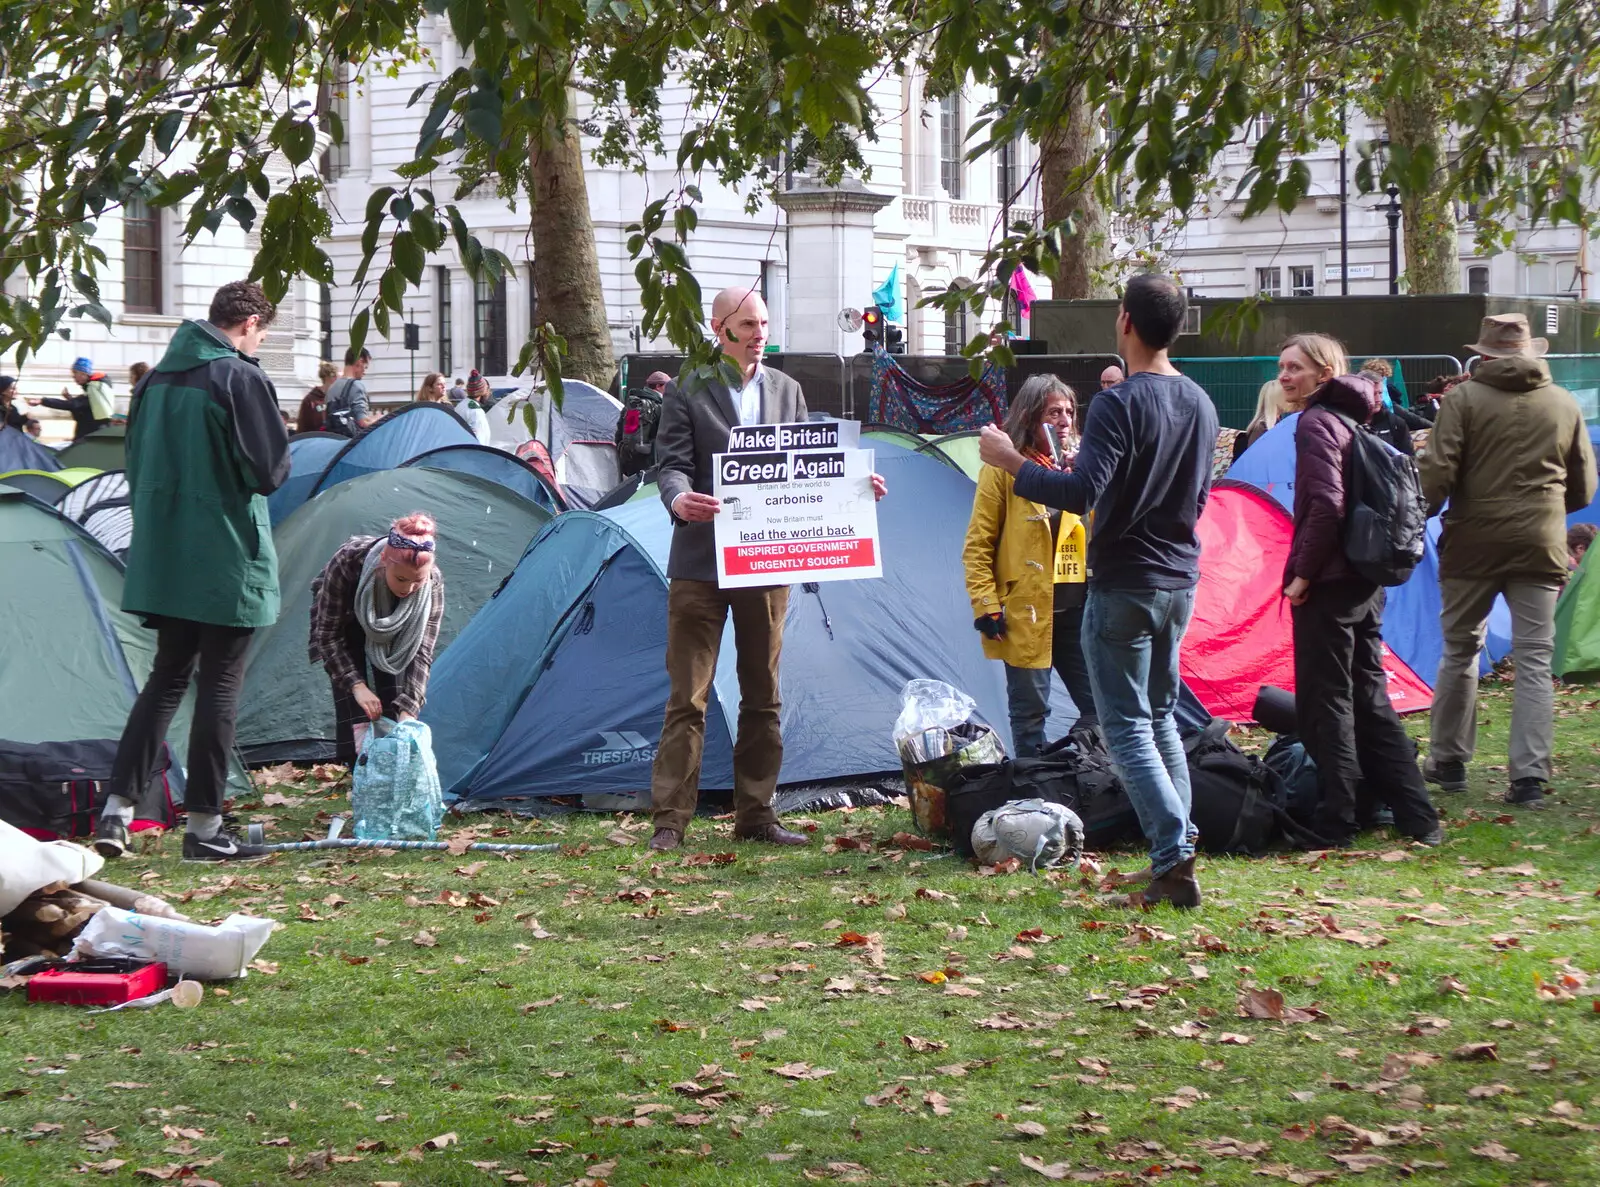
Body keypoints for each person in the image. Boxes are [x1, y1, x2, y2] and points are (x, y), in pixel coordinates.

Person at [978, 273, 1217, 908]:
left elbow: (1081, 493)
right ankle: (1178, 852)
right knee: (1160, 716)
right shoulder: (1200, 400)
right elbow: (1199, 497)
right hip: (1179, 580)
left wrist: (1010, 461)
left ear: (1125, 322)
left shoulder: (1118, 403)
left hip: (1125, 583)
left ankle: (1171, 854)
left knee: (1127, 726)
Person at [647, 285, 887, 852]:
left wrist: (855, 490)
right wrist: (678, 500)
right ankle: (669, 823)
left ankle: (756, 814)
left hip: (766, 562)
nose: (759, 335)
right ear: (719, 330)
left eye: (763, 325)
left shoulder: (789, 390)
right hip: (700, 565)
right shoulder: (689, 387)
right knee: (689, 697)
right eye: (747, 326)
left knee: (763, 694)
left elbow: (808, 469)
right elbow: (671, 466)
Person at [94, 281, 291, 862]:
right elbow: (269, 471)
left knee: (166, 679)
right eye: (263, 333)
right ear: (251, 324)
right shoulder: (238, 377)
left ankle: (116, 814)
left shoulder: (153, 380)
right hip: (226, 552)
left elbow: (131, 462)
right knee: (220, 685)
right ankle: (205, 827)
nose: (261, 343)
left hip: (166, 552)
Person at [1419, 314, 1597, 810]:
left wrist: (1423, 511)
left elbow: (1437, 472)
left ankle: (1449, 761)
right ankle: (1529, 778)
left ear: (1484, 354)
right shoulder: (1564, 403)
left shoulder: (1463, 400)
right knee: (1536, 658)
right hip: (1541, 541)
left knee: (1460, 650)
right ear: (1531, 353)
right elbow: (1583, 485)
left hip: (1473, 540)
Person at [1280, 364, 1443, 846]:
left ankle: (1336, 820)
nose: (1285, 375)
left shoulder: (1316, 423)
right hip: (1365, 580)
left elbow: (1326, 506)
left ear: (1323, 373)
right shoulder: (1356, 420)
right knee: (1369, 699)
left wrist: (1302, 575)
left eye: (1295, 367)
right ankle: (1418, 815)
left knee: (1325, 703)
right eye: (1282, 366)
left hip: (1328, 583)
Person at [964, 376, 1097, 755]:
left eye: (1070, 412)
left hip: (1079, 611)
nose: (1064, 420)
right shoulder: (1003, 468)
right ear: (1030, 415)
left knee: (1102, 706)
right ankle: (1034, 790)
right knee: (1030, 714)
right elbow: (978, 544)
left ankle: (1082, 770)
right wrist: (986, 605)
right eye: (1054, 412)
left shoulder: (1079, 467)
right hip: (1026, 612)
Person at [309, 513, 446, 760]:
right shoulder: (349, 561)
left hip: (397, 635)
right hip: (347, 623)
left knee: (395, 711)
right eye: (401, 578)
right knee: (358, 714)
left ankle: (394, 777)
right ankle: (360, 776)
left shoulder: (432, 584)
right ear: (384, 560)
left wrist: (409, 710)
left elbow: (422, 651)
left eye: (418, 580)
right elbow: (328, 635)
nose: (408, 588)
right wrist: (357, 686)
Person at [28, 357, 113, 440]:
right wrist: (70, 398)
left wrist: (42, 401)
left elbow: (72, 405)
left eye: (75, 372)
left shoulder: (93, 389)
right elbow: (79, 409)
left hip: (90, 438)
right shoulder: (96, 390)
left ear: (84, 373)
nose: (73, 376)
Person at [1231, 379, 1299, 463]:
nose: (1291, 398)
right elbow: (1256, 462)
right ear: (1277, 399)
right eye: (1287, 393)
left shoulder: (1275, 424)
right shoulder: (1261, 428)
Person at [325, 347, 377, 436]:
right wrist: (379, 419)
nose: (364, 372)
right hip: (352, 443)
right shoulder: (356, 386)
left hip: (335, 442)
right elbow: (363, 422)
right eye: (365, 367)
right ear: (359, 361)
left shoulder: (331, 388)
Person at [297, 361, 339, 433]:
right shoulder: (310, 400)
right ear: (330, 377)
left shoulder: (337, 399)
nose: (338, 380)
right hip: (315, 440)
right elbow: (302, 427)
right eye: (336, 377)